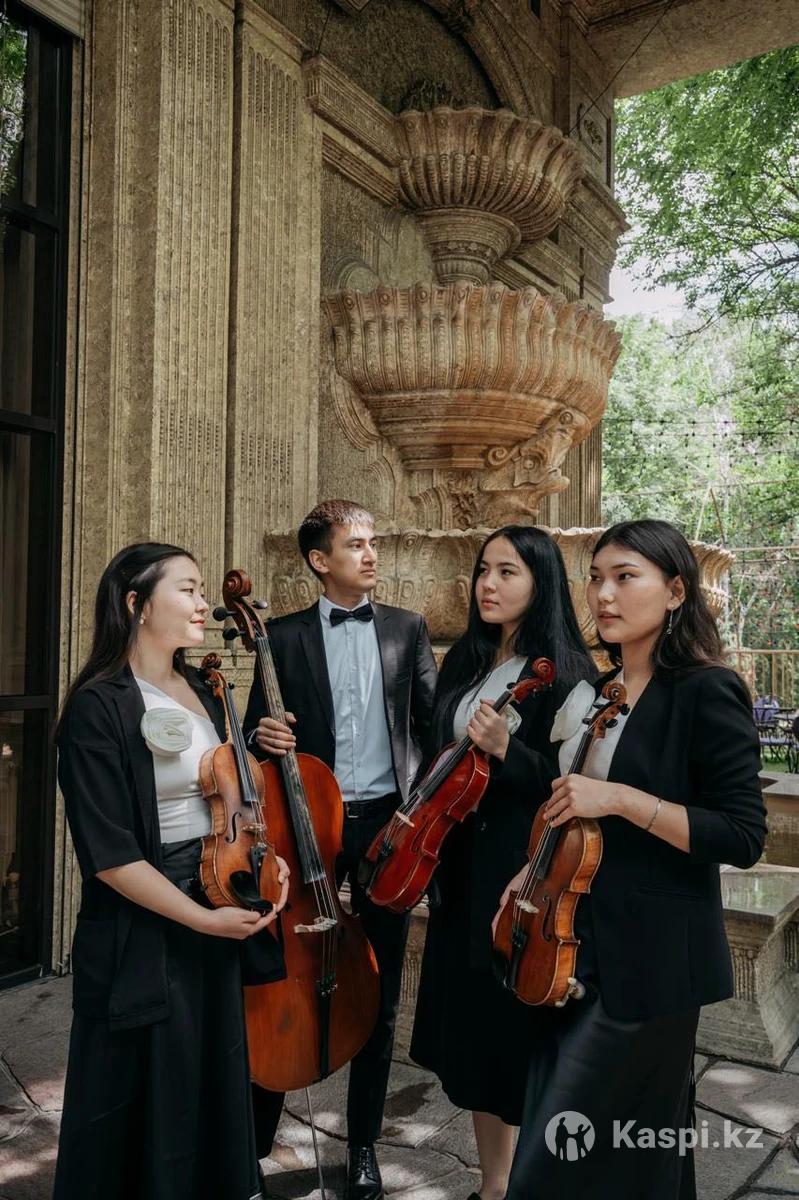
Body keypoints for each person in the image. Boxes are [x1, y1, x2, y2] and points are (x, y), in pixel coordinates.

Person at [496, 519, 768, 1200]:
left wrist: (620, 798)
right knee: (638, 1155)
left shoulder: (707, 689)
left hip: (651, 963)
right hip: (570, 947)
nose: (604, 594)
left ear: (675, 591)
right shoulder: (601, 690)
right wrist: (532, 872)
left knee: (553, 1165)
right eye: (595, 578)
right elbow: (572, 809)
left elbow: (741, 835)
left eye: (625, 577)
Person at [54, 543, 290, 1200]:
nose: (202, 603)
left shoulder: (207, 689)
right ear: (135, 603)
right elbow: (110, 856)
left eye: (201, 589)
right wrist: (201, 921)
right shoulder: (98, 706)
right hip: (148, 926)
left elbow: (231, 802)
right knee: (139, 1103)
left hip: (215, 899)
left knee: (208, 1089)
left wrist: (264, 862)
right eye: (186, 589)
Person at [242, 499, 437, 1200]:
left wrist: (424, 817)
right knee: (281, 973)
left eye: (372, 542)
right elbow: (252, 736)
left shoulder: (407, 628)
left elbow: (430, 728)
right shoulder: (281, 637)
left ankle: (362, 1148)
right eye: (355, 545)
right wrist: (262, 737)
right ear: (319, 560)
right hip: (309, 824)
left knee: (378, 987)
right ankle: (253, 1146)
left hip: (387, 826)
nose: (370, 554)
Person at [409, 525, 596, 1200]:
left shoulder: (566, 674)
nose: (488, 584)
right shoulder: (466, 661)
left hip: (515, 876)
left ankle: (529, 1182)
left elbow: (570, 785)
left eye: (507, 572)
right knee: (477, 1041)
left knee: (516, 1033)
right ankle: (493, 1185)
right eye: (483, 570)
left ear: (540, 583)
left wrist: (506, 751)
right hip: (457, 867)